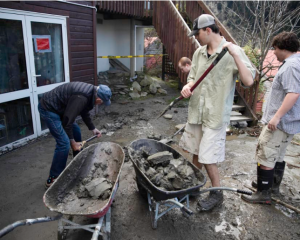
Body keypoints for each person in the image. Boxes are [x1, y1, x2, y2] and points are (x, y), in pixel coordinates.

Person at [179, 14, 256, 211]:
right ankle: (195, 187)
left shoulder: (232, 51)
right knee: (196, 151)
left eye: (198, 33)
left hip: (215, 115)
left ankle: (217, 193)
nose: (197, 37)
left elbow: (248, 81)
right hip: (197, 111)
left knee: (208, 156)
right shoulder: (198, 53)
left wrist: (236, 55)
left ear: (208, 30)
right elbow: (193, 77)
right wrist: (187, 87)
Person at [242, 32, 300, 204]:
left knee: (266, 153)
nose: (273, 52)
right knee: (278, 154)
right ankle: (271, 185)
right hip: (289, 122)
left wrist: (276, 117)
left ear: (283, 48)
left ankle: (263, 192)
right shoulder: (296, 62)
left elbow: (293, 94)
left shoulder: (290, 66)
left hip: (280, 122)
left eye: (275, 49)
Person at [38, 82, 112, 188]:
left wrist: (93, 128)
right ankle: (53, 178)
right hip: (49, 108)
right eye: (102, 102)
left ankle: (78, 162)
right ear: (99, 100)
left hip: (61, 108)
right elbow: (67, 122)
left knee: (76, 130)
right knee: (64, 143)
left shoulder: (90, 93)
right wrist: (72, 142)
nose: (101, 104)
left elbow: (84, 111)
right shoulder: (81, 97)